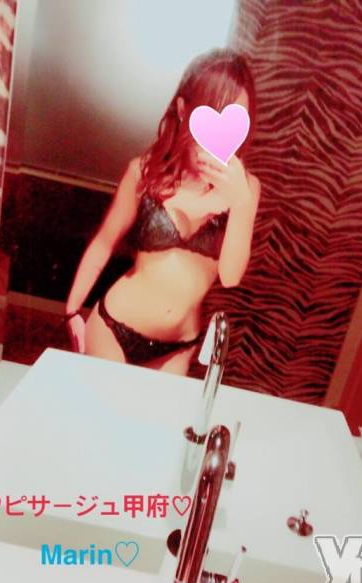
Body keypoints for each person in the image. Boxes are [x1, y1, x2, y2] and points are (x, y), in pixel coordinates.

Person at [65, 48, 261, 375]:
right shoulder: (144, 172)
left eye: (235, 119)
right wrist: (72, 310)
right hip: (115, 329)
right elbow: (105, 241)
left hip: (178, 347)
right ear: (183, 110)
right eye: (212, 114)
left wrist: (239, 203)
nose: (221, 135)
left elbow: (230, 277)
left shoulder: (246, 189)